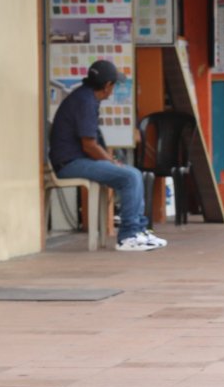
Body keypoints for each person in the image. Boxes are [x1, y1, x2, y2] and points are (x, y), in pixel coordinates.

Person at [48, 60, 166, 252]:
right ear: (107, 86)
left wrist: (111, 162)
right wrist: (111, 162)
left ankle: (139, 229)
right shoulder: (85, 101)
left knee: (131, 173)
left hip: (76, 160)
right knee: (130, 176)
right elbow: (89, 145)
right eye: (114, 85)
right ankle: (128, 235)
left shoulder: (85, 97)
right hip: (70, 163)